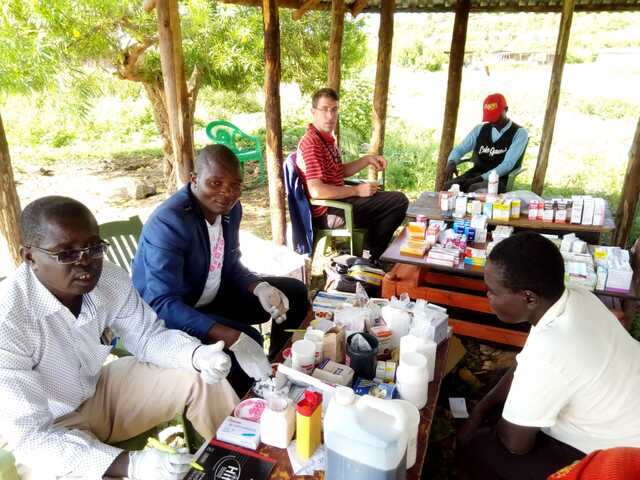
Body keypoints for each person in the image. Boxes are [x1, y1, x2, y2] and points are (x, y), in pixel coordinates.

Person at [0, 196, 239, 480]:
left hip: (98, 393)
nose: (85, 262)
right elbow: (31, 438)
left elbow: (147, 337)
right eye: (66, 254)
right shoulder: (8, 320)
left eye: (94, 248)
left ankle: (243, 459)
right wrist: (132, 464)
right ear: (30, 257)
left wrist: (196, 355)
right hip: (49, 426)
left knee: (199, 376)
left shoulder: (109, 279)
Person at [457, 232, 640, 479]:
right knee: (502, 390)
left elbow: (516, 444)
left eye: (493, 291)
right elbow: (525, 363)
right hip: (623, 410)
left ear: (529, 297)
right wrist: (481, 409)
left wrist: (481, 428)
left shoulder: (551, 347)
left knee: (480, 449)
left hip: (623, 457)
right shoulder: (577, 297)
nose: (487, 296)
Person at [132, 144, 309, 395]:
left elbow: (230, 264)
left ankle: (277, 366)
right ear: (194, 179)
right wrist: (230, 336)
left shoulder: (231, 210)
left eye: (235, 185)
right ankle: (248, 398)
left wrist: (259, 287)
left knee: (294, 291)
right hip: (176, 312)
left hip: (211, 293)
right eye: (215, 183)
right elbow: (161, 303)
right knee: (246, 339)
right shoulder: (170, 222)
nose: (227, 193)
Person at [295, 87, 409, 263]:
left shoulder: (325, 139)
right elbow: (317, 191)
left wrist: (367, 159)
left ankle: (368, 253)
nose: (330, 116)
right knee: (398, 201)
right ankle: (372, 256)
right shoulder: (312, 143)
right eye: (324, 109)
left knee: (383, 199)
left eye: (334, 109)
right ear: (313, 112)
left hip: (338, 203)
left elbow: (338, 171)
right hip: (328, 212)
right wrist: (356, 191)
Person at [444, 93, 528, 193]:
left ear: (506, 110)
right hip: (475, 173)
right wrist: (452, 161)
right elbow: (461, 149)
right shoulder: (480, 129)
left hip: (499, 179)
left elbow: (507, 164)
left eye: (495, 116)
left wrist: (481, 178)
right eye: (490, 117)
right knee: (448, 187)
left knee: (475, 190)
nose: (493, 121)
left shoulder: (519, 133)